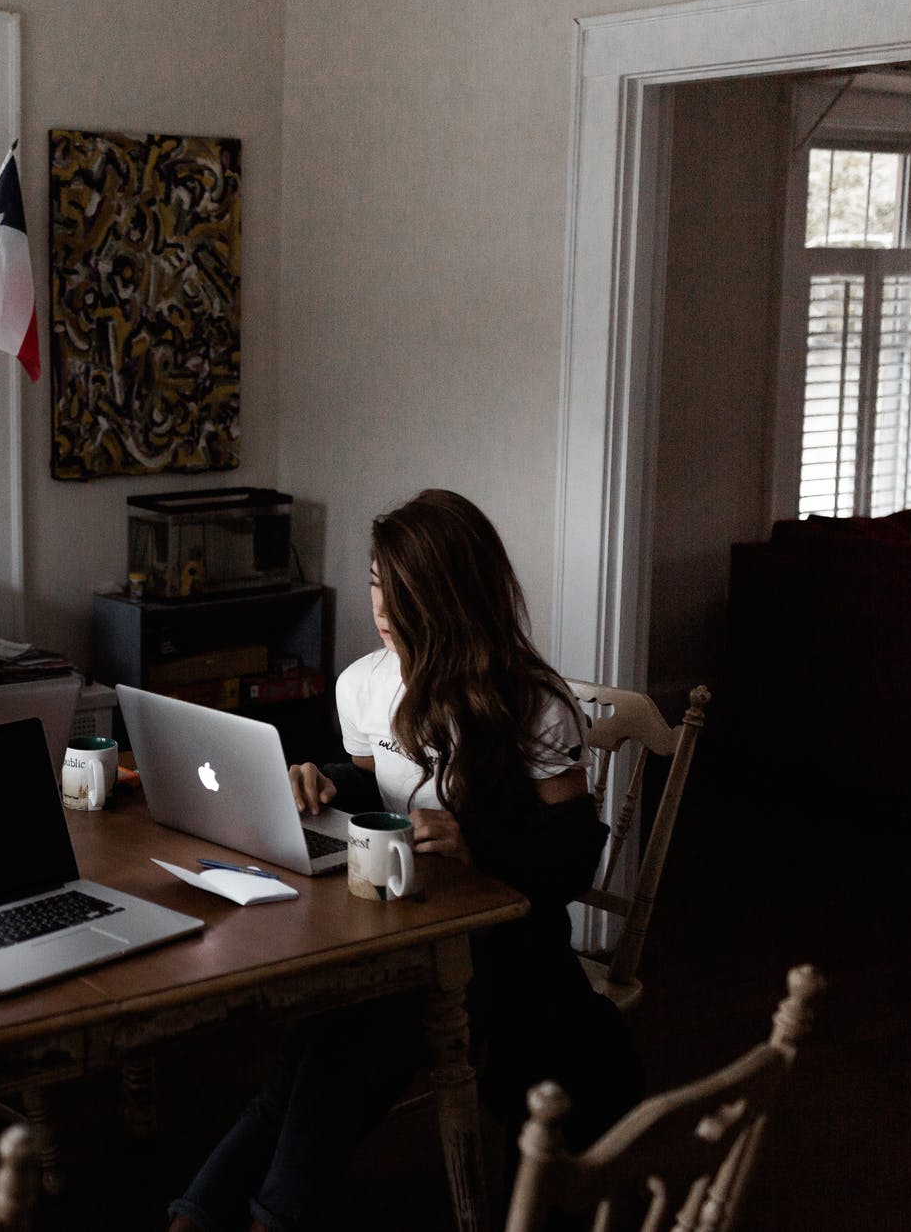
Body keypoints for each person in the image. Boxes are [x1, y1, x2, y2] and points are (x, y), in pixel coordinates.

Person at [167, 489, 641, 1232]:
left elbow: (576, 851)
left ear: (452, 593)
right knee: (311, 1046)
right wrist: (322, 779)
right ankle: (202, 1213)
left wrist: (476, 843)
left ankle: (259, 1216)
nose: (381, 605)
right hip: (398, 924)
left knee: (334, 1049)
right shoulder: (363, 684)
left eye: (403, 587)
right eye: (375, 579)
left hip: (499, 948)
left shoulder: (531, 703)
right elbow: (378, 780)